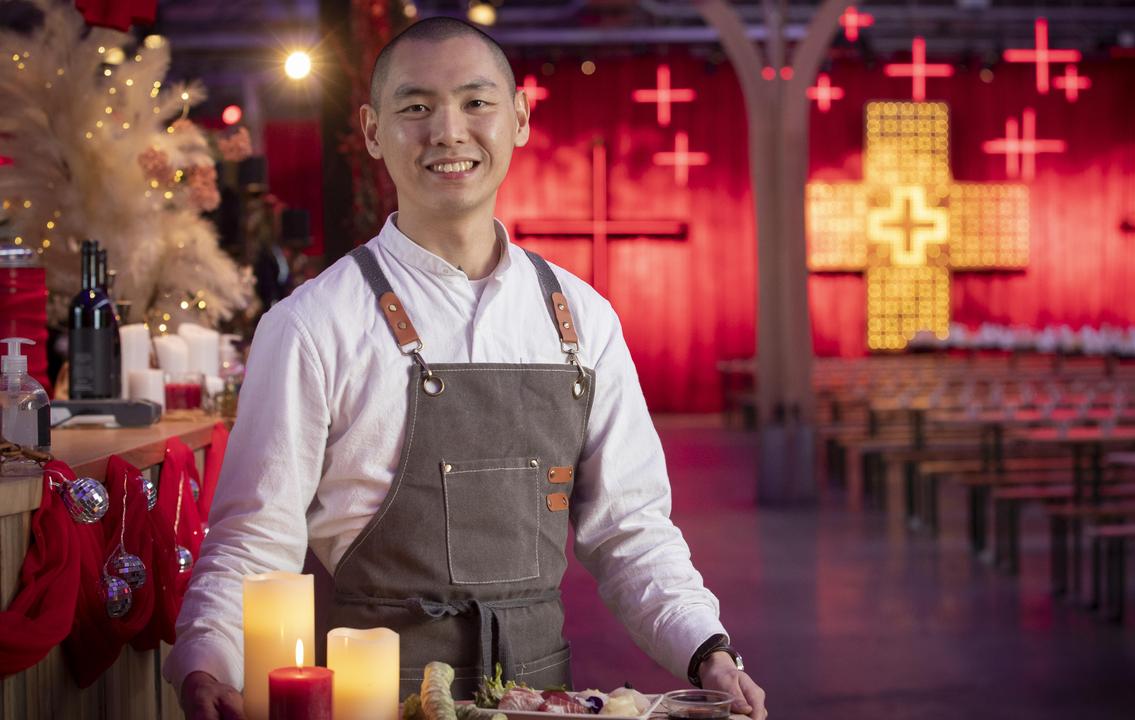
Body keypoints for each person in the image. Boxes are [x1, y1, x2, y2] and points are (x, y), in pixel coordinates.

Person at [166, 16, 767, 720]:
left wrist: (708, 651)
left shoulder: (583, 320)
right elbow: (253, 539)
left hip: (542, 702)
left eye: (476, 103)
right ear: (370, 130)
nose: (448, 131)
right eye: (415, 107)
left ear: (518, 119)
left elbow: (631, 531)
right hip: (377, 703)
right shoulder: (310, 325)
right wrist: (205, 660)